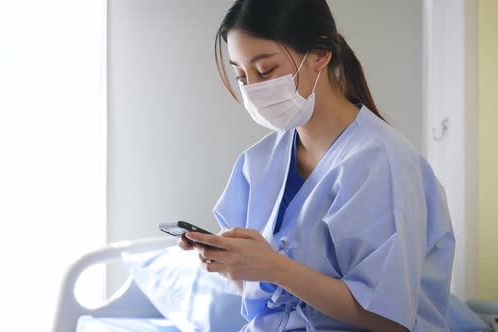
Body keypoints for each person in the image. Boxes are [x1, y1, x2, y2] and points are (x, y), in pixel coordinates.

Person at [179, 0, 455, 331]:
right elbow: (263, 302)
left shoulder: (381, 161)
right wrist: (234, 265)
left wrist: (272, 267)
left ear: (320, 55)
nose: (253, 89)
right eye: (241, 75)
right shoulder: (257, 163)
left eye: (265, 70)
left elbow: (389, 321)